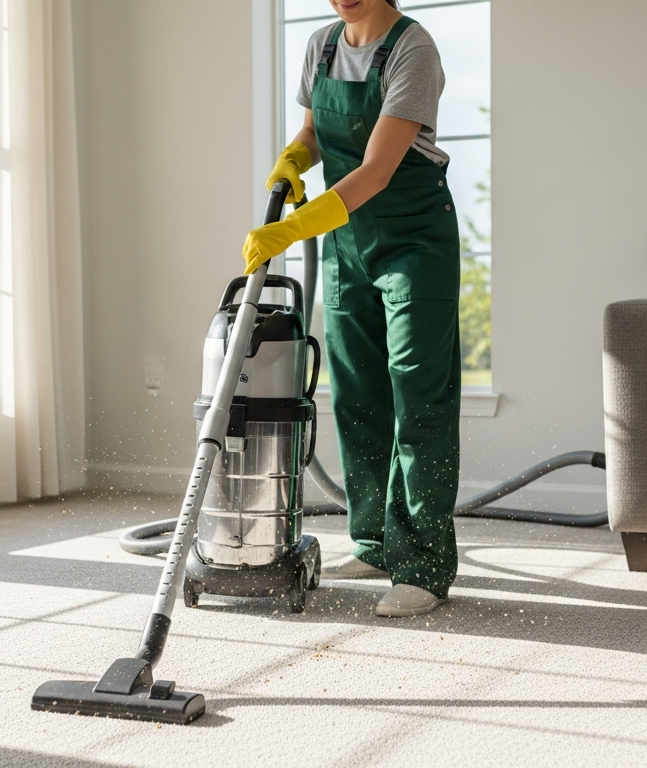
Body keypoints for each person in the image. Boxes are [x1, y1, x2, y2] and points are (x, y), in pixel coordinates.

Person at [241, 0, 460, 618]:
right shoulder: (322, 45)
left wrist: (292, 230)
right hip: (347, 247)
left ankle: (423, 564)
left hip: (413, 241)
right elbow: (314, 135)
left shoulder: (413, 48)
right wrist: (292, 159)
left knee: (419, 390)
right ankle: (374, 542)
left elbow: (377, 169)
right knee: (358, 391)